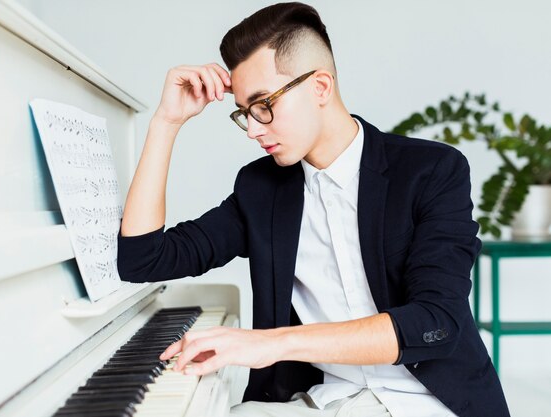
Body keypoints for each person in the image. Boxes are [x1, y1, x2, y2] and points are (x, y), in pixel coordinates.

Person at [117, 2, 510, 416]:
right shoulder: (262, 189)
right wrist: (166, 122)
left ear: (321, 87)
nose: (253, 129)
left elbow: (435, 322)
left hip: (431, 403)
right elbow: (143, 260)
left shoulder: (431, 171)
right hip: (326, 401)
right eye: (244, 113)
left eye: (264, 104)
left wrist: (269, 343)